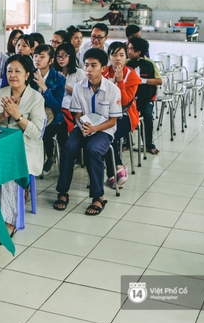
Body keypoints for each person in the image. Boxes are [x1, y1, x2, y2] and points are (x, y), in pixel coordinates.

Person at [0, 54, 45, 246]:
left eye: (18, 71)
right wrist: (2, 115)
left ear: (27, 75)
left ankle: (8, 223)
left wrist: (18, 117)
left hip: (24, 147)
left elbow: (36, 134)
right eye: (9, 70)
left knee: (8, 170)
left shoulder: (36, 98)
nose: (13, 75)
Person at [54, 48, 122, 215]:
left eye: (93, 65)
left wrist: (94, 128)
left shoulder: (113, 90)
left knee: (93, 149)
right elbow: (76, 113)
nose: (89, 70)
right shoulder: (79, 87)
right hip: (83, 126)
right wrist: (83, 125)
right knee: (69, 148)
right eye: (86, 66)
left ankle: (98, 196)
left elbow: (113, 120)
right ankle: (63, 192)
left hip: (104, 130)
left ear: (103, 68)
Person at [103, 41, 141, 187]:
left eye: (121, 55)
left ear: (127, 56)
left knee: (108, 134)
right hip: (104, 114)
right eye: (114, 55)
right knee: (104, 133)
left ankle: (115, 169)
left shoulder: (131, 76)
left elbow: (125, 102)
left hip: (126, 116)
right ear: (109, 57)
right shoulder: (104, 71)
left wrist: (120, 82)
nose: (117, 58)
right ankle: (116, 169)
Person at [31, 44, 66, 175]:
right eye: (35, 56)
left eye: (42, 56)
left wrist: (44, 88)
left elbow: (57, 107)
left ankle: (50, 157)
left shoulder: (59, 78)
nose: (37, 59)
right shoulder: (30, 74)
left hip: (53, 118)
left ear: (51, 60)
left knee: (42, 133)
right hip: (33, 114)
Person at [126, 37, 162, 155]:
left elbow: (159, 81)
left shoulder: (150, 63)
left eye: (131, 49)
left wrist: (143, 81)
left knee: (147, 116)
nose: (128, 51)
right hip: (130, 98)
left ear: (138, 52)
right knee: (125, 117)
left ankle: (148, 144)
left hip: (146, 98)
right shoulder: (127, 63)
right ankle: (127, 142)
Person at [52, 43, 86, 143]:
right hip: (57, 107)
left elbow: (81, 95)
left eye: (64, 56)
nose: (60, 59)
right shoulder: (54, 72)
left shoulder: (79, 73)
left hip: (74, 109)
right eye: (58, 56)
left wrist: (64, 85)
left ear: (70, 56)